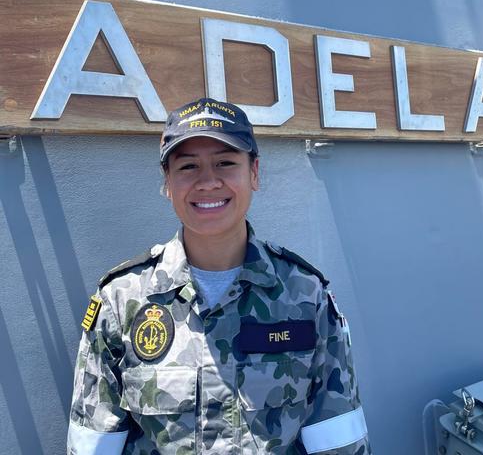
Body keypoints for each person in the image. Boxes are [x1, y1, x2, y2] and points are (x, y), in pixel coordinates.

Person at [67, 98, 371, 454]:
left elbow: (338, 438)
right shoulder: (121, 302)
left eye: (225, 163)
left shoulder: (305, 294)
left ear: (254, 173)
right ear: (167, 182)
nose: (208, 182)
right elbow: (93, 445)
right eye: (188, 167)